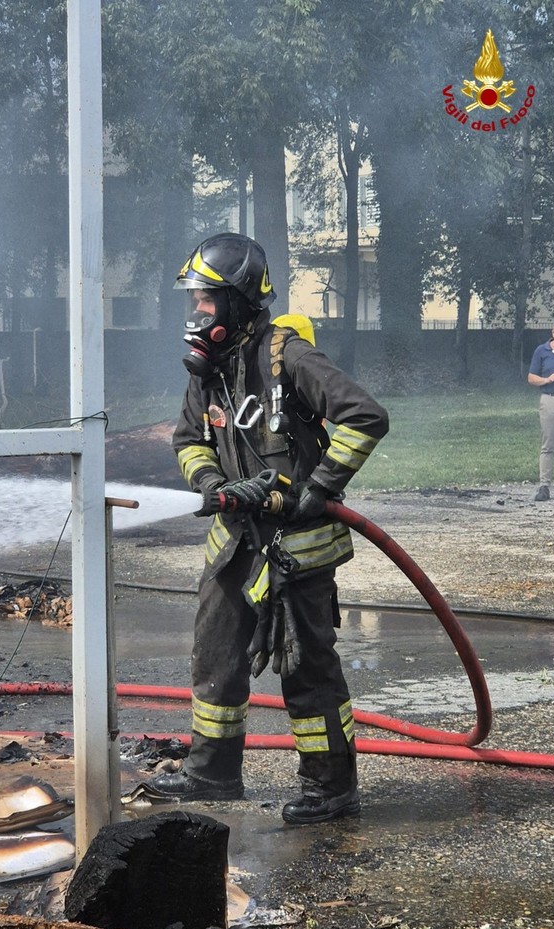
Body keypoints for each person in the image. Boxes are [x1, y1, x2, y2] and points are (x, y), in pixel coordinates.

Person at [143, 232, 389, 824]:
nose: (197, 312)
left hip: (296, 549)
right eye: (194, 300)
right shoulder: (210, 370)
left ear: (239, 301)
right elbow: (189, 439)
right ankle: (212, 777)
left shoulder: (288, 356)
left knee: (308, 672)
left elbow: (365, 416)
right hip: (233, 545)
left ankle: (330, 789)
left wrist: (319, 489)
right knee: (215, 659)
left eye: (206, 299)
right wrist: (208, 484)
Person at [527, 319, 554, 502]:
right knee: (548, 444)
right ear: (553, 335)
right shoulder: (541, 351)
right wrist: (547, 379)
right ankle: (544, 486)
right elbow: (531, 378)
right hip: (549, 399)